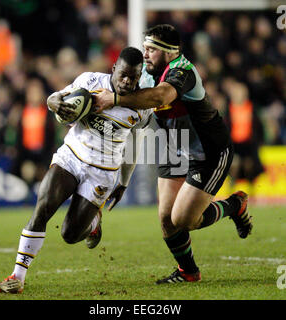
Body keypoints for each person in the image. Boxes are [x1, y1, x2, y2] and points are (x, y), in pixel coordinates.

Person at [94, 24, 253, 284]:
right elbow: (133, 120)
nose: (145, 54)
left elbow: (161, 96)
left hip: (208, 151)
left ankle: (235, 205)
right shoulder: (146, 74)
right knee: (167, 219)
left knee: (184, 219)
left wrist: (115, 99)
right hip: (173, 146)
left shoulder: (183, 71)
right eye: (144, 48)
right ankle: (188, 272)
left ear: (169, 53)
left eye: (151, 50)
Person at [0, 47, 152, 293]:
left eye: (133, 77)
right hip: (71, 157)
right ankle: (17, 277)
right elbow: (56, 97)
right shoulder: (90, 81)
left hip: (103, 172)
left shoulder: (141, 106)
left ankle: (93, 223)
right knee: (43, 208)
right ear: (113, 69)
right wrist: (54, 102)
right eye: (123, 75)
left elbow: (134, 140)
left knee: (70, 234)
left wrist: (124, 181)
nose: (128, 82)